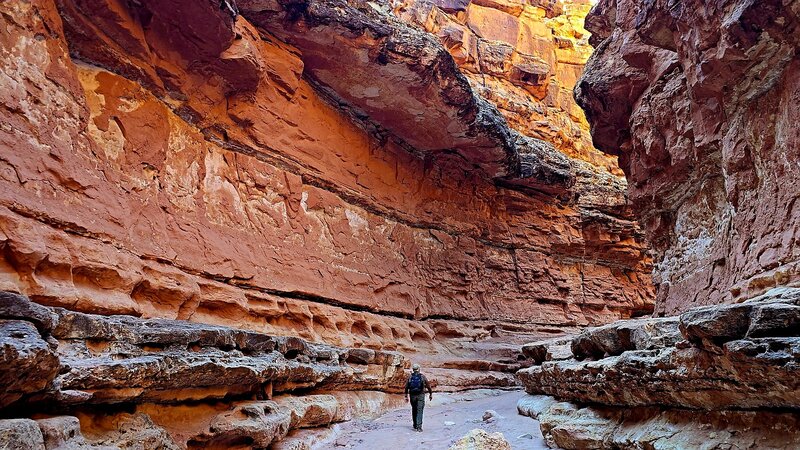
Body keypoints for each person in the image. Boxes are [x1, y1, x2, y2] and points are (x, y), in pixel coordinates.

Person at [404, 364, 432, 432]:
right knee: (420, 410)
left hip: (412, 396)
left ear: (413, 369)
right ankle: (419, 427)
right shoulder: (422, 377)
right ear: (419, 369)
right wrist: (430, 394)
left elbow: (406, 387)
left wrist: (406, 396)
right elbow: (428, 386)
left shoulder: (410, 377)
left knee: (414, 409)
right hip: (420, 395)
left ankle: (415, 425)